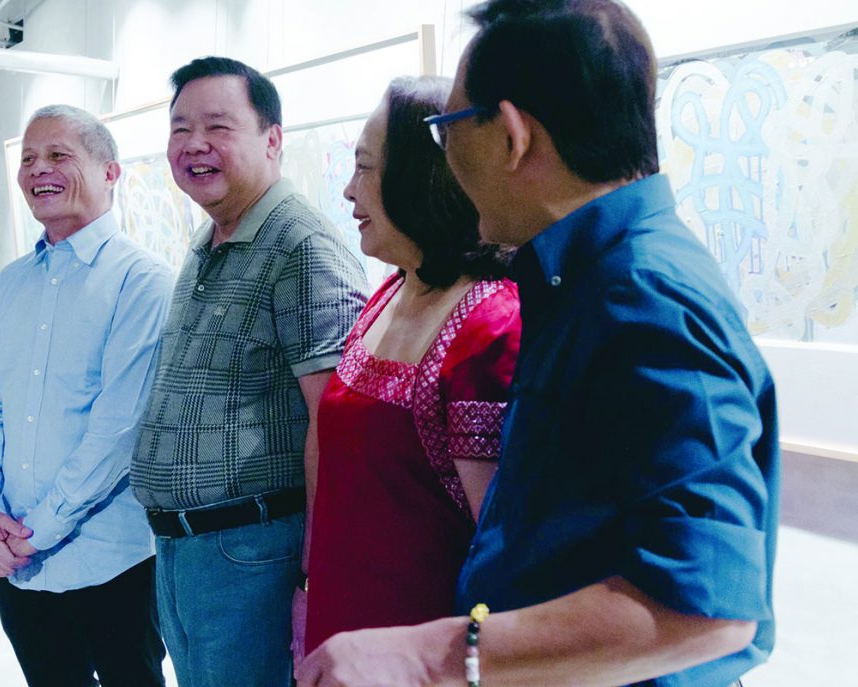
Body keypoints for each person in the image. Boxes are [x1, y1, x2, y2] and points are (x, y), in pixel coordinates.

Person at [297, 1, 779, 686]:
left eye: (447, 130)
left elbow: (706, 610)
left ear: (513, 136)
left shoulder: (646, 296)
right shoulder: (574, 278)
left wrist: (427, 655)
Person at [129, 56, 367, 687]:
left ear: (272, 139)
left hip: (251, 553)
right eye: (180, 128)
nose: (194, 145)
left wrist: (317, 579)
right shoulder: (210, 238)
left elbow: (335, 424)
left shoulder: (301, 245)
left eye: (217, 126)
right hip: (185, 552)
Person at [302, 75, 520, 657]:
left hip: (417, 648)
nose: (348, 192)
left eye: (366, 168)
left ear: (423, 177)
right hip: (343, 620)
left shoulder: (489, 325)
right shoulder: (389, 292)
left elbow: (499, 546)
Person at [0, 104, 171, 687]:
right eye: (28, 158)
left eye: (58, 155)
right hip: (20, 569)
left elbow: (118, 432)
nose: (37, 170)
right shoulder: (11, 284)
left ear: (110, 172)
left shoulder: (142, 281)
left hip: (111, 562)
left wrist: (33, 532)